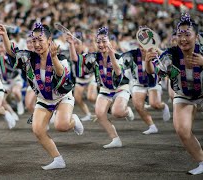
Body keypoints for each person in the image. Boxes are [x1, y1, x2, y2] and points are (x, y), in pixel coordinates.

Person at [0, 23, 84, 170]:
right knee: (38, 130)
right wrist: (4, 35)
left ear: (49, 41)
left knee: (61, 126)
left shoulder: (61, 57)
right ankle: (58, 159)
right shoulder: (29, 58)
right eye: (33, 40)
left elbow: (61, 75)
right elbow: (12, 53)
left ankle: (74, 120)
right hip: (43, 99)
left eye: (40, 40)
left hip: (61, 96)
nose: (36, 44)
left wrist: (54, 57)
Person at [145, 13, 203, 175]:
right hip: (183, 94)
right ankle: (202, 161)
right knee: (182, 130)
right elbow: (155, 73)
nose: (183, 38)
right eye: (180, 35)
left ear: (196, 36)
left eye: (187, 34)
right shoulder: (170, 55)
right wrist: (148, 61)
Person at [81, 27, 134, 148]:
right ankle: (115, 139)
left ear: (111, 42)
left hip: (120, 87)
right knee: (100, 114)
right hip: (105, 88)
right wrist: (74, 46)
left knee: (117, 112)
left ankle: (127, 111)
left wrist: (111, 55)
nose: (101, 44)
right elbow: (79, 63)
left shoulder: (118, 56)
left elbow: (119, 72)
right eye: (98, 41)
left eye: (104, 41)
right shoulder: (94, 57)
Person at [121, 41, 170, 135]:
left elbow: (165, 62)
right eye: (140, 46)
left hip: (153, 82)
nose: (143, 48)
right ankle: (152, 126)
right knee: (138, 106)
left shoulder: (156, 55)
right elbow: (119, 58)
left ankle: (163, 106)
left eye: (145, 46)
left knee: (154, 104)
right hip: (138, 82)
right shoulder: (133, 54)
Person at [67, 31, 97, 121]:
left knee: (91, 98)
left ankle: (101, 110)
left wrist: (93, 40)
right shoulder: (73, 51)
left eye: (77, 43)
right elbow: (74, 58)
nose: (76, 45)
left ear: (82, 43)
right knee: (78, 99)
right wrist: (71, 44)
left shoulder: (87, 51)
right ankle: (88, 114)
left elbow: (96, 51)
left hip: (90, 78)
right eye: (75, 43)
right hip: (80, 79)